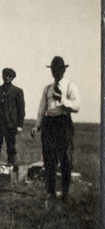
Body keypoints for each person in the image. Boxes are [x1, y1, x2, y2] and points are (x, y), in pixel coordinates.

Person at [31, 56, 80, 203]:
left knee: (65, 158)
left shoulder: (70, 86)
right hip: (49, 124)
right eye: (53, 69)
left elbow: (77, 106)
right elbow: (42, 109)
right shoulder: (47, 88)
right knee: (49, 159)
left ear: (63, 70)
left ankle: (65, 193)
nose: (55, 72)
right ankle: (50, 192)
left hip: (63, 123)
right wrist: (36, 126)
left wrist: (62, 101)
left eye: (58, 69)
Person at [0, 68, 25, 173]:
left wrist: (19, 125)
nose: (6, 78)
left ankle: (11, 169)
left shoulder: (18, 91)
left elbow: (21, 110)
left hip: (11, 125)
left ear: (13, 78)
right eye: (5, 75)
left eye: (9, 76)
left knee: (11, 148)